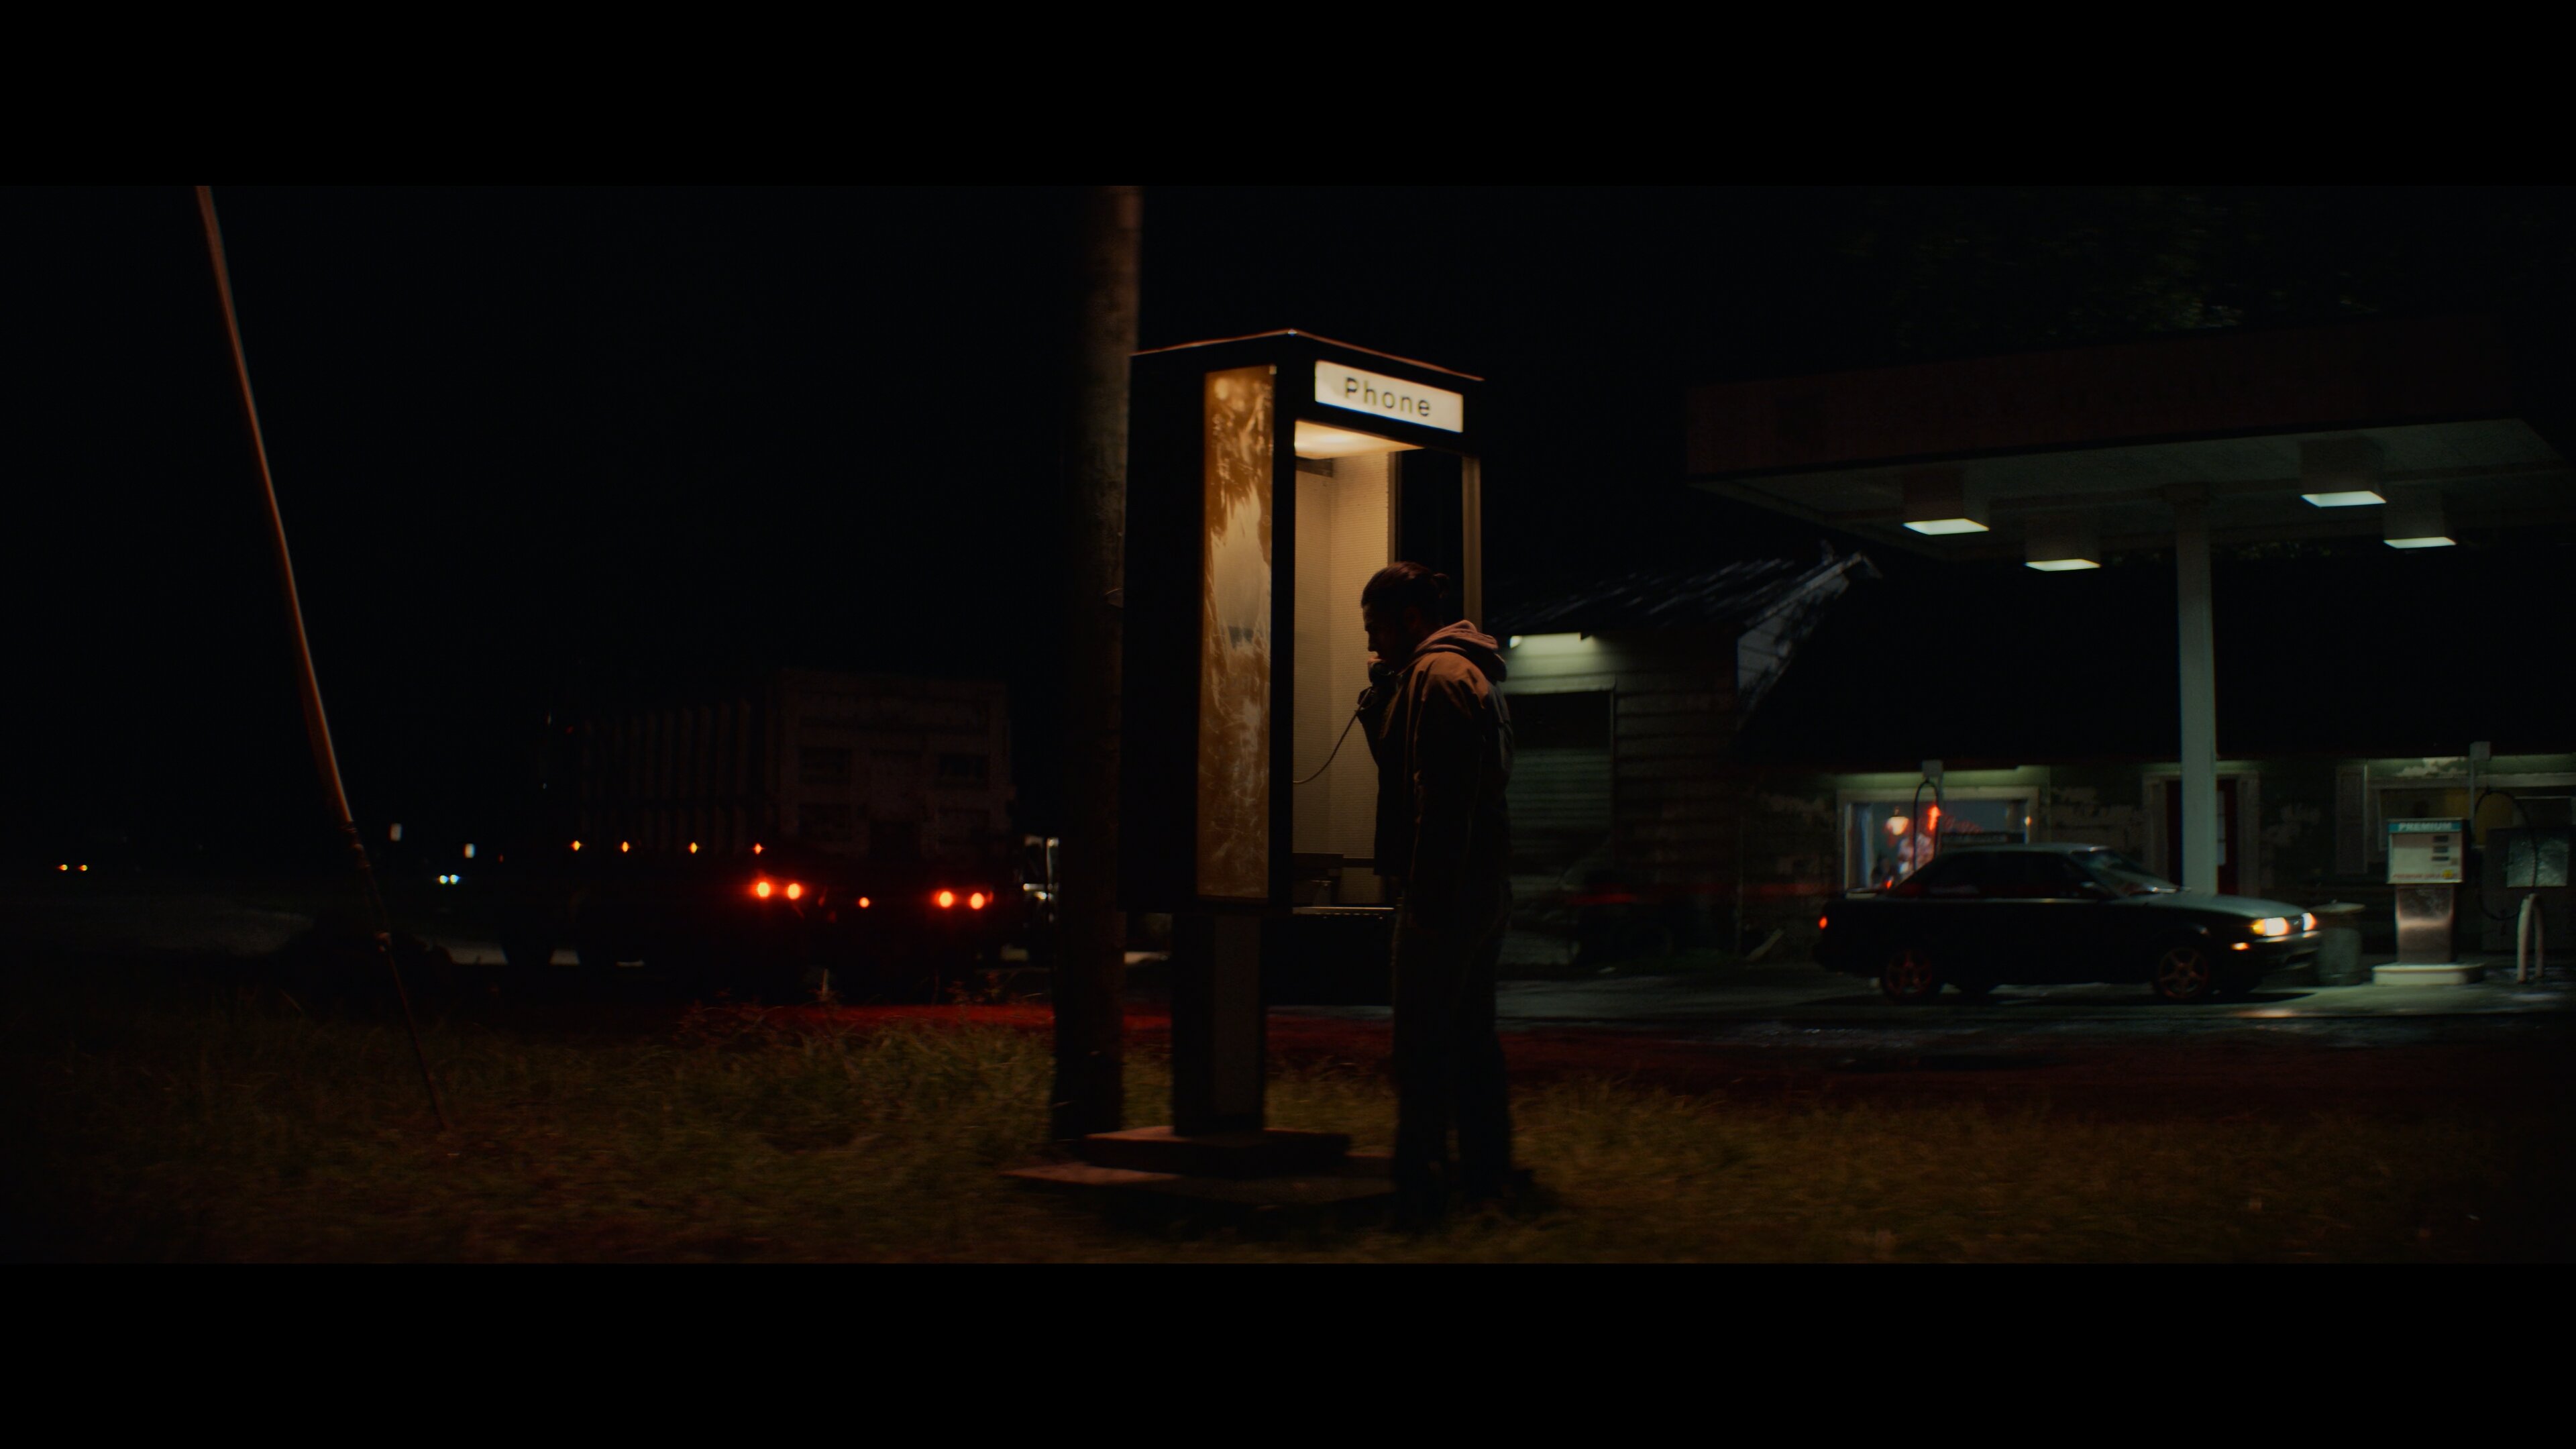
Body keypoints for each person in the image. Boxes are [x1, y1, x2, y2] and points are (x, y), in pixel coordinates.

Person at [1358, 561, 1520, 1226]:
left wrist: (1427, 899)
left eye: (1377, 628)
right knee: (1471, 1037)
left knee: (1422, 1043)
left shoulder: (1439, 678)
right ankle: (1485, 1181)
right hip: (1481, 886)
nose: (1372, 644)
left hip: (1447, 890)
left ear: (1410, 620)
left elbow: (1443, 799)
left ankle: (1421, 1189)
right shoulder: (1461, 674)